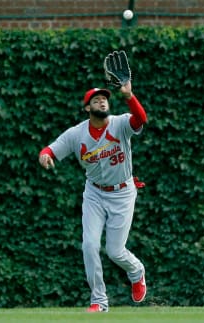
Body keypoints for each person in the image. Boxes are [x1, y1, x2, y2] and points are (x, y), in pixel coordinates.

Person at [38, 81, 148, 313]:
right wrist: (45, 155)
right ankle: (99, 301)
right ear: (88, 108)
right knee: (89, 245)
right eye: (95, 100)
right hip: (95, 193)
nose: (101, 101)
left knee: (115, 251)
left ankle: (136, 271)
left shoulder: (119, 124)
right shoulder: (76, 134)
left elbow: (140, 120)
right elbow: (51, 149)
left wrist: (129, 96)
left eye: (104, 99)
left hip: (123, 192)